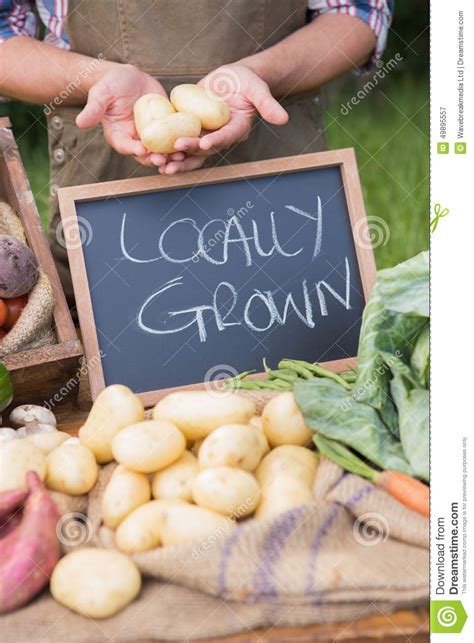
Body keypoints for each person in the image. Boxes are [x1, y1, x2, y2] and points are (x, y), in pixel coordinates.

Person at [0, 1, 393, 302]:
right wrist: (94, 79)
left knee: (296, 366)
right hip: (102, 184)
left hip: (277, 183)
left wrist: (263, 73)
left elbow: (357, 12)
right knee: (101, 385)